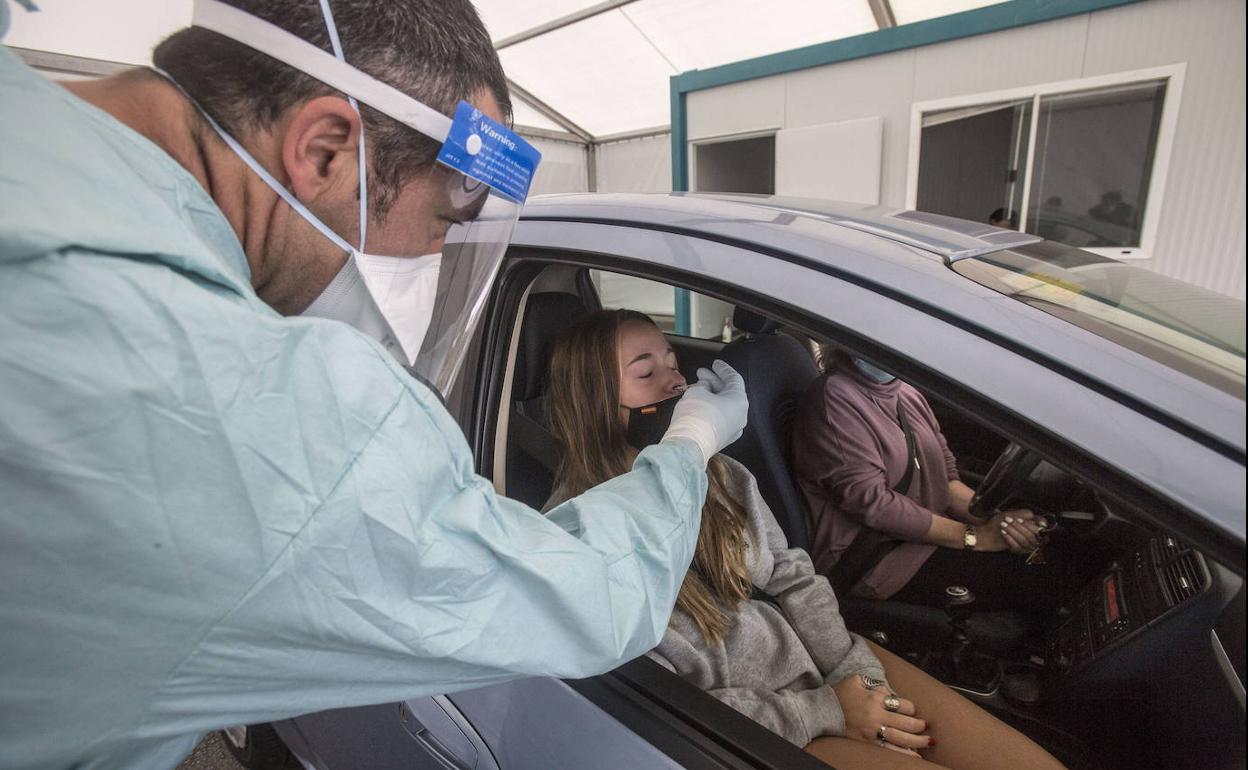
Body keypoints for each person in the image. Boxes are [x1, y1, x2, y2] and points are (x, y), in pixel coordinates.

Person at [0, 2, 749, 768]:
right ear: (326, 150)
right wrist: (690, 441)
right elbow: (594, 598)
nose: (435, 255)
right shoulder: (256, 411)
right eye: (439, 224)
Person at [543, 309, 1065, 770]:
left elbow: (793, 575)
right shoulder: (580, 532)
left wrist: (855, 673)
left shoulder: (721, 472)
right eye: (646, 372)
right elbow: (660, 704)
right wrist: (826, 710)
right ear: (592, 400)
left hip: (819, 667)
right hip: (752, 725)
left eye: (672, 361)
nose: (676, 382)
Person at [793, 346, 1080, 613]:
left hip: (922, 537)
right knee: (1042, 584)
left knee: (1058, 558)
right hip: (876, 562)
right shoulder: (834, 399)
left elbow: (947, 480)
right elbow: (875, 505)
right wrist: (975, 537)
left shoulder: (905, 392)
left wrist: (999, 522)